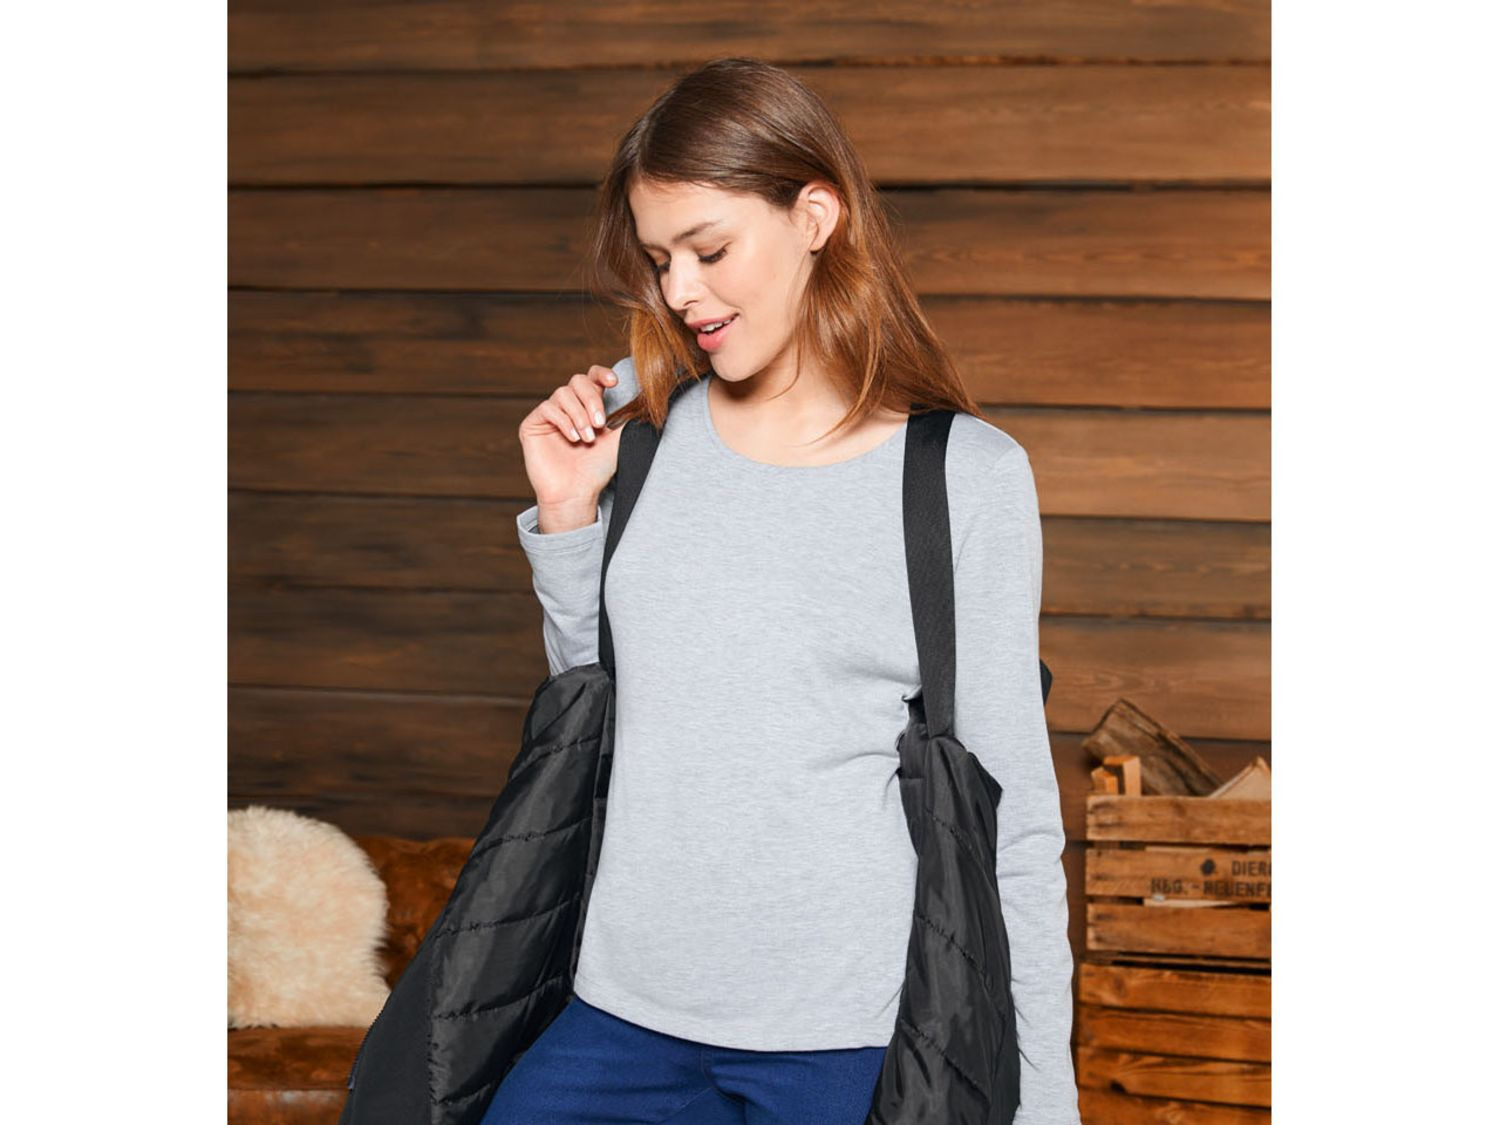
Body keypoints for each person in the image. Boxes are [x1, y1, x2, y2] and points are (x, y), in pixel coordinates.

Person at [491, 57, 1080, 1125]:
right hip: (620, 1014)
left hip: (846, 1043)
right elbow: (597, 722)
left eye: (710, 250)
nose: (680, 292)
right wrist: (570, 518)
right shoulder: (646, 443)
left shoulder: (964, 476)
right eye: (661, 260)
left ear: (816, 216)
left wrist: (1042, 1105)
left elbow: (1016, 821)